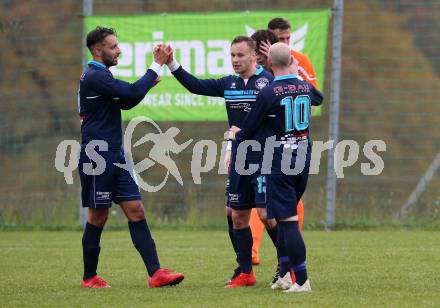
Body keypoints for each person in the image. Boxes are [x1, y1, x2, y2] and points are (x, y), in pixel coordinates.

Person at [160, 36, 274, 288]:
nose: (235, 59)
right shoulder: (229, 83)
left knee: (267, 214)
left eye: (240, 55)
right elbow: (196, 85)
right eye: (232, 55)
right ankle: (245, 273)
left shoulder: (268, 81)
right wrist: (171, 64)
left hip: (264, 157)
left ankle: (287, 267)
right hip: (239, 159)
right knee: (237, 215)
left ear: (254, 56)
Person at [78, 26, 184, 288]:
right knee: (98, 216)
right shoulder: (94, 76)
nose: (119, 50)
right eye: (113, 47)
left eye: (117, 45)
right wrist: (156, 66)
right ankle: (89, 277)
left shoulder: (103, 77)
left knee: (136, 210)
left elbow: (126, 102)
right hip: (97, 157)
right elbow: (132, 94)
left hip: (117, 156)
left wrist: (147, 81)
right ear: (97, 50)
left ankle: (155, 273)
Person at [229, 42, 323, 292]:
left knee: (288, 220)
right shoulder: (304, 86)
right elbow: (319, 96)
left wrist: (235, 135)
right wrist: (298, 70)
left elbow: (248, 129)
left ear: (268, 64)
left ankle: (301, 280)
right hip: (303, 156)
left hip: (279, 159)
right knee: (283, 216)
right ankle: (284, 274)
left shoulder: (268, 92)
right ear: (292, 61)